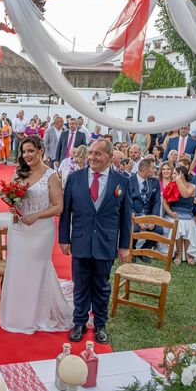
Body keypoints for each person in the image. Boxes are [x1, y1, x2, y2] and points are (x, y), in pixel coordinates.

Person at [59, 139, 131, 344]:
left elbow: (126, 216)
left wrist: (124, 245)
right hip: (81, 241)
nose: (92, 157)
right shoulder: (75, 178)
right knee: (80, 286)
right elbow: (66, 213)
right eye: (91, 153)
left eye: (98, 153)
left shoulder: (122, 181)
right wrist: (64, 238)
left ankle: (100, 324)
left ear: (110, 157)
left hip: (106, 242)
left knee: (101, 286)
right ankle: (79, 322)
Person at [0, 135, 72, 333]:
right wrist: (13, 208)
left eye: (31, 151)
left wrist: (36, 215)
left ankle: (36, 315)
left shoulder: (52, 176)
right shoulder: (19, 174)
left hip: (41, 232)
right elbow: (13, 200)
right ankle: (16, 314)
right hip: (18, 230)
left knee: (36, 270)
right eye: (24, 152)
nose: (27, 155)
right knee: (18, 269)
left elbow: (59, 207)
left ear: (41, 150)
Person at [162, 166, 196, 265]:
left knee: (188, 225)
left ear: (181, 175)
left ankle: (188, 254)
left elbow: (185, 195)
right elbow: (164, 202)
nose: (172, 175)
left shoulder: (192, 187)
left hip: (187, 214)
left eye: (175, 173)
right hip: (174, 213)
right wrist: (170, 213)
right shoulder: (171, 185)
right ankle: (179, 253)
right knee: (178, 224)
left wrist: (178, 181)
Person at [129, 159, 162, 261]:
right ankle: (133, 251)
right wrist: (137, 218)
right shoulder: (128, 181)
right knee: (134, 229)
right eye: (153, 168)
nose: (155, 170)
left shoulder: (155, 181)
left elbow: (157, 201)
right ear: (144, 169)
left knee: (159, 230)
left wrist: (153, 219)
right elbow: (126, 203)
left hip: (148, 215)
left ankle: (143, 250)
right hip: (134, 215)